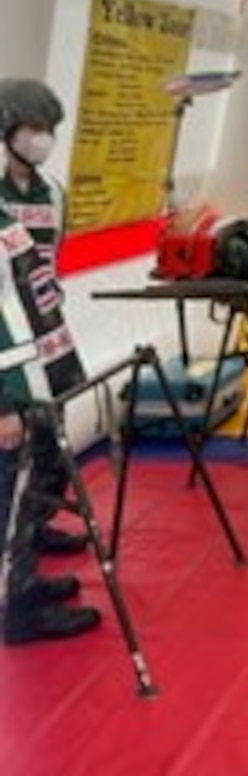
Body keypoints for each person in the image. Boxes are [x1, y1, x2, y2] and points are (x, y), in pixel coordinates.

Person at [0, 167, 100, 642]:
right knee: (8, 497)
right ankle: (16, 610)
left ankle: (24, 585)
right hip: (8, 386)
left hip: (31, 372)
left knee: (25, 491)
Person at [0, 79, 88, 558]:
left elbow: (50, 263)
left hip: (52, 342)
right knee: (12, 469)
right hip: (10, 358)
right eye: (32, 127)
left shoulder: (53, 193)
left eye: (48, 128)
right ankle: (17, 568)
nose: (42, 138)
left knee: (53, 449)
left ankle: (36, 527)